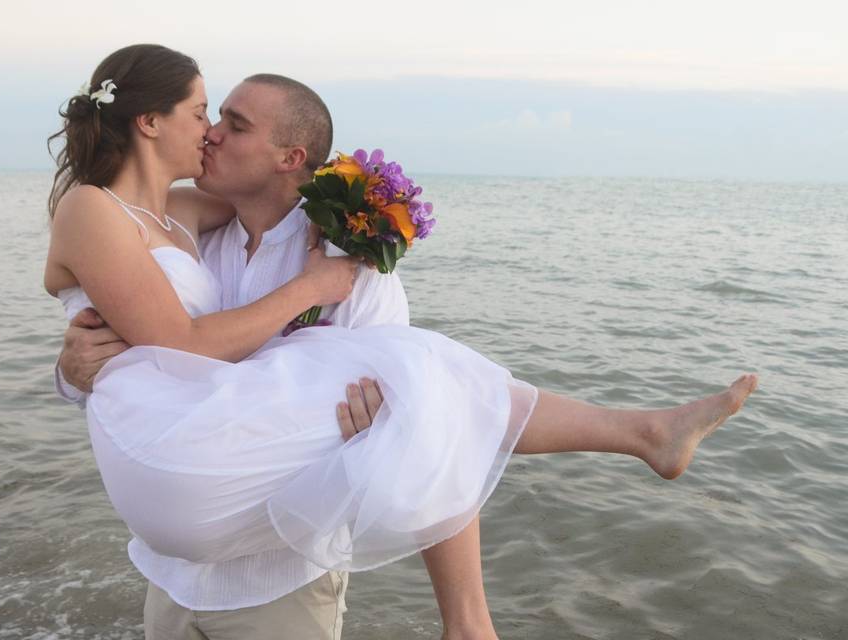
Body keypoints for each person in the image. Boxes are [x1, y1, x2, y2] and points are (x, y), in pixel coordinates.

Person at [47, 45, 758, 640]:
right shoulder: (193, 229)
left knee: (430, 387)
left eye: (230, 124)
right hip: (172, 574)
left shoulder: (351, 271)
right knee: (436, 381)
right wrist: (75, 370)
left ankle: (474, 617)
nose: (210, 134)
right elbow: (130, 321)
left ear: (290, 156)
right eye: (207, 116)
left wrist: (371, 431)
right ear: (147, 122)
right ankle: (634, 441)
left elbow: (429, 437)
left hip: (278, 579)